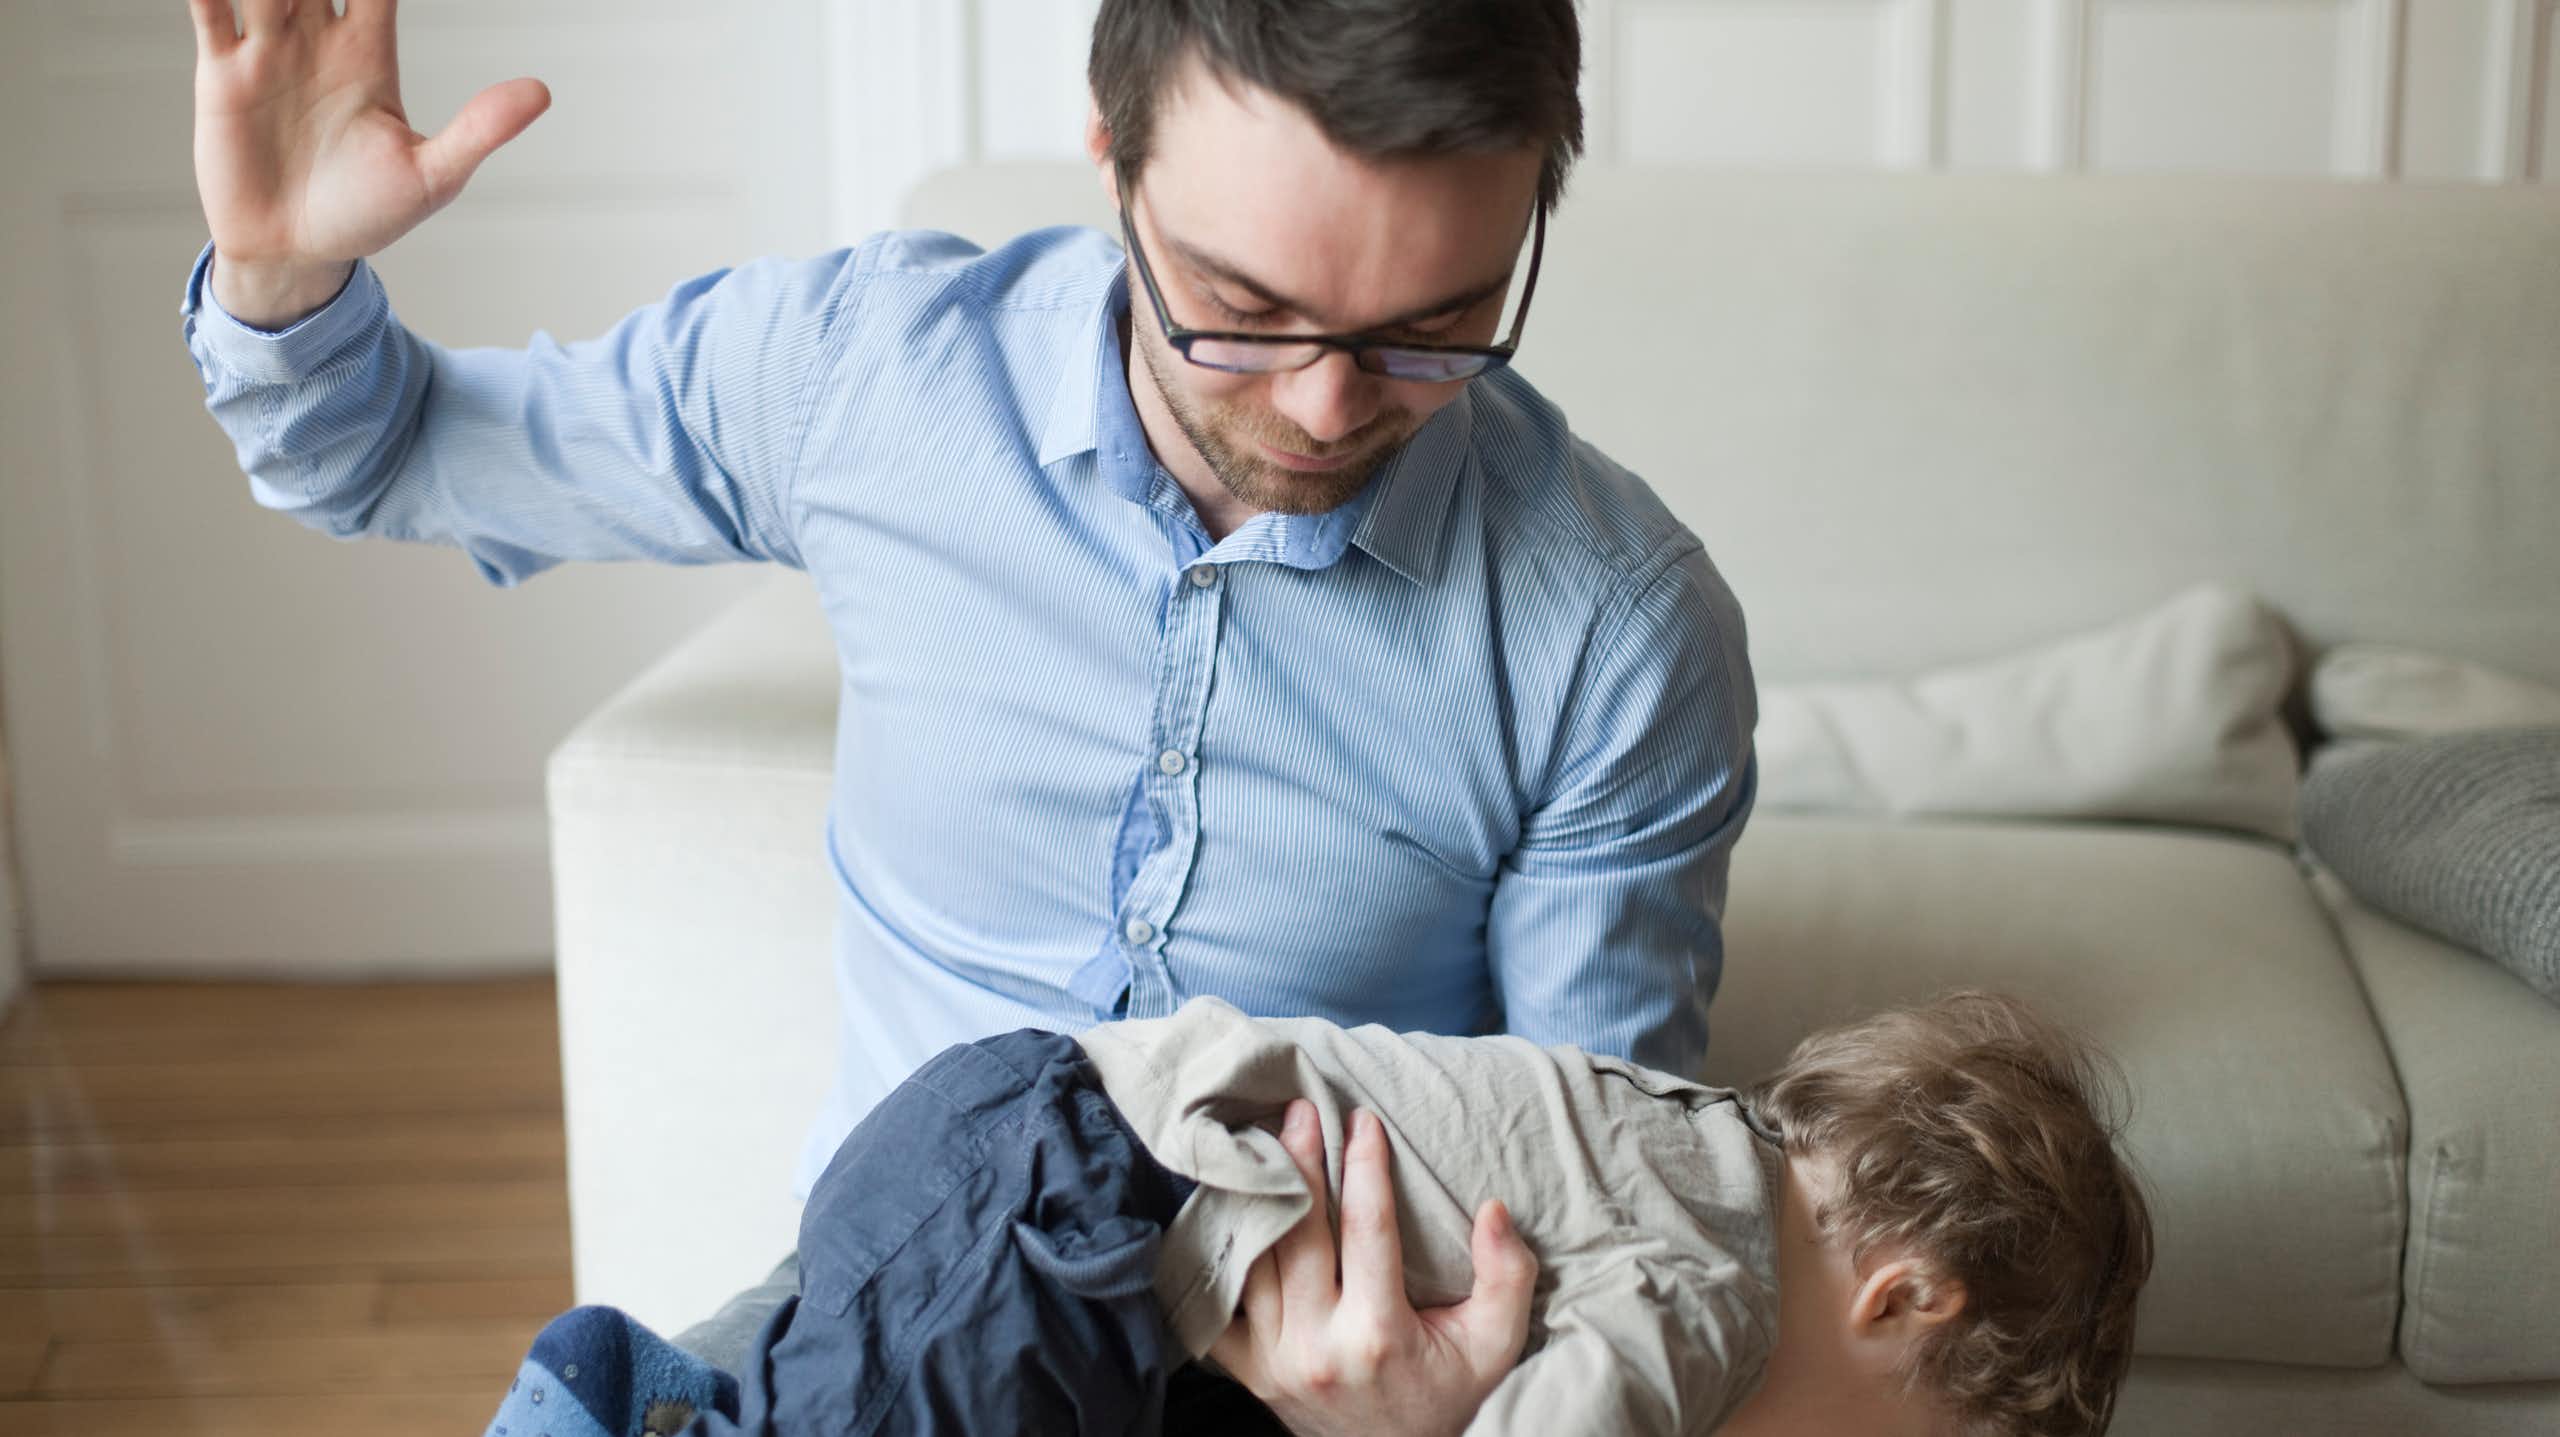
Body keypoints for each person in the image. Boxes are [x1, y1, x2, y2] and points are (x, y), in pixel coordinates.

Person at [180, 0, 1757, 1424]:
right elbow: (381, 453)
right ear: (1109, 152)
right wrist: (282, 271)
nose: (1326, 405)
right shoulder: (865, 376)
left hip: (1307, 1378)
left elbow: (1603, 1185)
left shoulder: (1618, 632)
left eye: (1430, 327)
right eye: (1240, 304)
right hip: (873, 1316)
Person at [482, 991, 2154, 1437]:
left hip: (1018, 1156)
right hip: (1066, 1210)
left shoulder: (1699, 1142)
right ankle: (609, 1402)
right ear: (1904, 1302)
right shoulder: (1713, 1292)